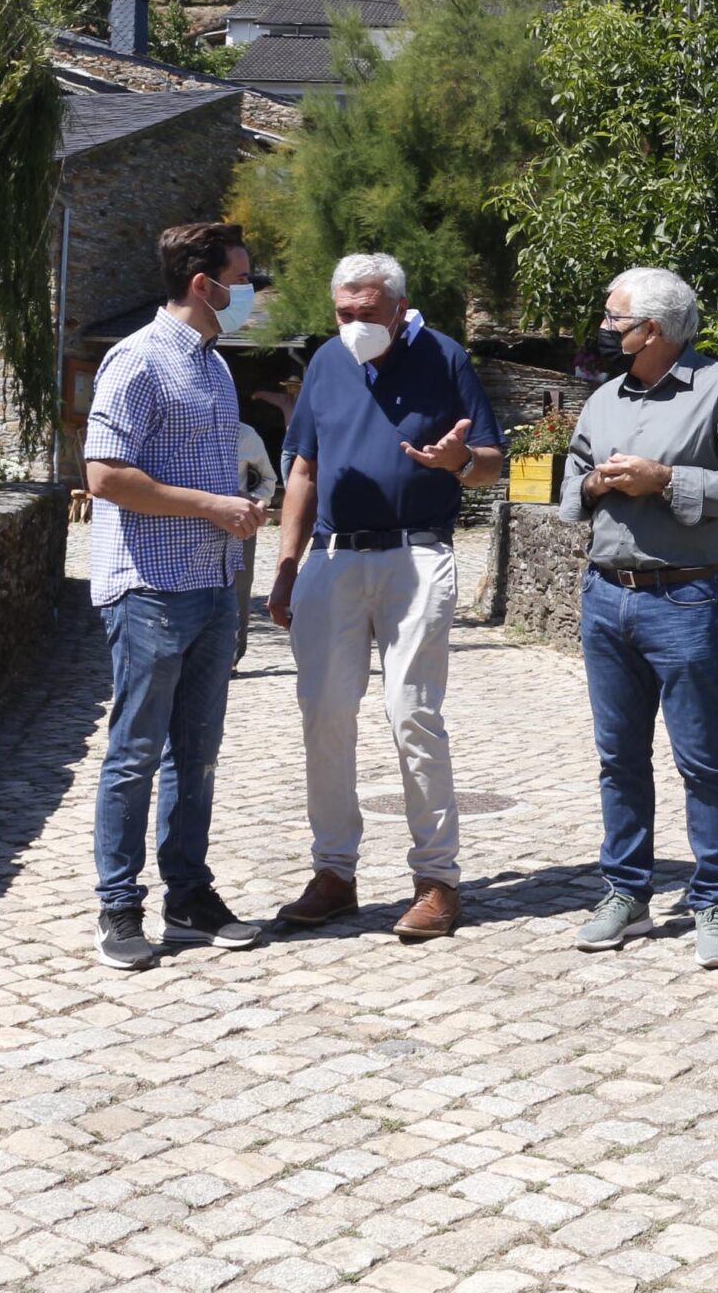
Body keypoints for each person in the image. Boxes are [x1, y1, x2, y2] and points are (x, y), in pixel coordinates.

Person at [269, 254, 503, 941]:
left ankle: (437, 881)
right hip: (335, 558)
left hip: (417, 554)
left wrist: (455, 460)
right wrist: (286, 567)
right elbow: (304, 468)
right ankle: (334, 874)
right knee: (324, 714)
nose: (354, 326)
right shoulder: (326, 363)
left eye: (367, 314)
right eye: (344, 314)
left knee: (413, 714)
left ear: (399, 307)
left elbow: (490, 464)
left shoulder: (447, 358)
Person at [559, 268, 718, 970]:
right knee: (618, 758)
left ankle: (712, 899)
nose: (605, 326)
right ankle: (626, 892)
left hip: (684, 597)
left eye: (615, 318)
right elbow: (572, 483)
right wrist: (595, 483)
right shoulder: (602, 399)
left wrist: (667, 481)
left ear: (654, 329)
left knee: (701, 757)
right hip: (606, 596)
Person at [84, 221, 268, 971]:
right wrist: (210, 506)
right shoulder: (136, 361)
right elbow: (105, 475)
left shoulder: (215, 367)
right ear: (204, 284)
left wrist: (238, 506)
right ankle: (118, 908)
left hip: (212, 586)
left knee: (196, 756)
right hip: (150, 591)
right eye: (245, 277)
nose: (253, 292)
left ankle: (188, 895)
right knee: (134, 754)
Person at [232, 421, 278, 667]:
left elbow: (267, 478)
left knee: (239, 588)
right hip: (194, 522)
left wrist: (259, 502)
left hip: (240, 524)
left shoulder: (246, 434)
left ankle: (232, 657)